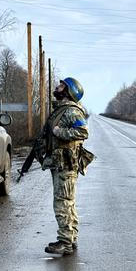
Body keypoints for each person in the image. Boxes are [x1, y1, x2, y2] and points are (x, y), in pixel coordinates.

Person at [42, 77, 89, 255]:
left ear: (69, 91)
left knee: (62, 202)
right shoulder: (61, 109)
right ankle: (71, 238)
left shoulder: (71, 111)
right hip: (60, 163)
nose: (57, 86)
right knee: (67, 202)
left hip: (66, 164)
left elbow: (83, 131)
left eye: (62, 85)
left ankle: (65, 242)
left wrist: (59, 132)